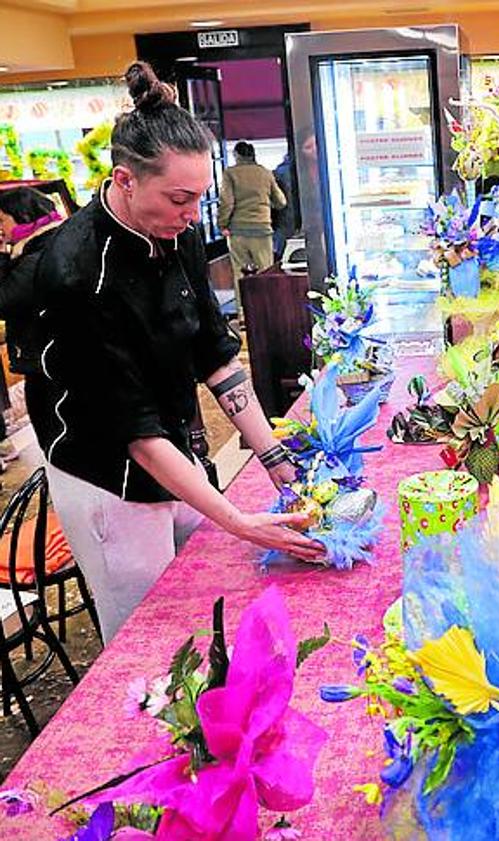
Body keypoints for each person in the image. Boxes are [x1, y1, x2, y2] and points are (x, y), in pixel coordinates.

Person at [35, 62, 324, 644]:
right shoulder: (75, 273)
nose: (192, 216)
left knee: (205, 592)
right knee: (148, 633)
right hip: (105, 471)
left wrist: (273, 458)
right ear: (125, 180)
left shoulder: (179, 234)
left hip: (168, 444)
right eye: (178, 199)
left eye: (198, 199)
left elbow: (213, 352)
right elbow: (134, 432)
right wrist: (239, 520)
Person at [0, 187, 64, 453]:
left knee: (54, 433)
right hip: (52, 357)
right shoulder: (51, 243)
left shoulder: (35, 257)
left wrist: (2, 255)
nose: (0, 227)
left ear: (22, 216)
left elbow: (3, 300)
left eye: (2, 220)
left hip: (47, 361)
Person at [217, 141, 286, 318]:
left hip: (238, 232)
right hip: (262, 230)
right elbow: (281, 201)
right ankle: (272, 312)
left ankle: (245, 316)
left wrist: (222, 224)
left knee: (240, 274)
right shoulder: (265, 173)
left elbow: (227, 202)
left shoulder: (230, 174)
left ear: (236, 156)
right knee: (266, 272)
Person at [271, 151, 298, 261]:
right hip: (300, 220)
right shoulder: (304, 169)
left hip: (283, 222)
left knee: (283, 256)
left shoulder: (278, 172)